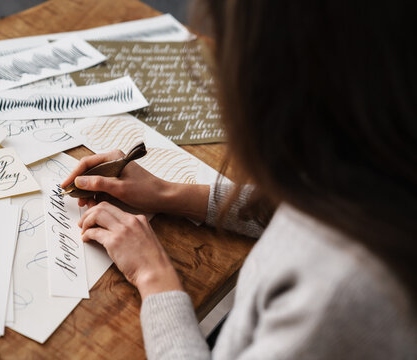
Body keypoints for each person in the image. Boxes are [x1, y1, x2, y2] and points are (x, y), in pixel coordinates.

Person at [61, 1, 417, 358]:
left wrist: (154, 276)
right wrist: (168, 193)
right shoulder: (380, 162)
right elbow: (302, 208)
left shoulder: (335, 297)